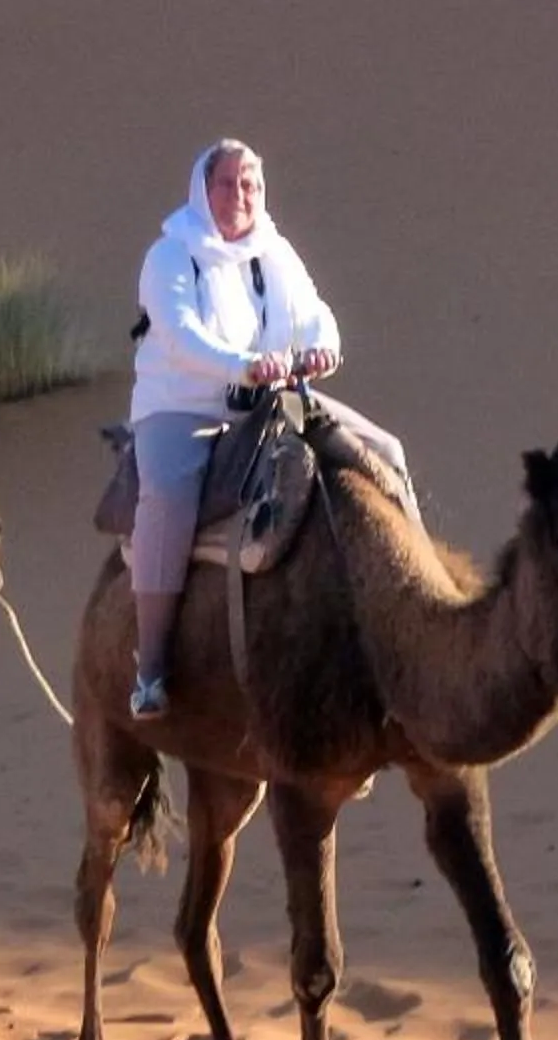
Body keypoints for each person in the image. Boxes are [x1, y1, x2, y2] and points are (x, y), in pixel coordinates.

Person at [123, 138, 412, 719]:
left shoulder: (274, 253)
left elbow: (316, 316)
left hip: (273, 401)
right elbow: (180, 333)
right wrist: (242, 365)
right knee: (169, 497)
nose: (241, 196)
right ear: (203, 192)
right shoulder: (171, 256)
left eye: (250, 184)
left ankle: (415, 609)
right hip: (184, 407)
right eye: (227, 184)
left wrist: (321, 351)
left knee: (383, 451)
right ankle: (150, 668)